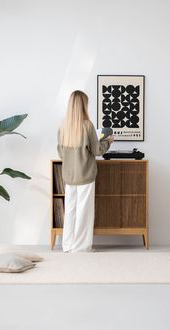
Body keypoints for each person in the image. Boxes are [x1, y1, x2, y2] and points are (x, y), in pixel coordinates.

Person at [57, 90, 114, 252]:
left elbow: (61, 153)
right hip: (86, 174)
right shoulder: (87, 126)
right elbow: (97, 150)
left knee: (70, 211)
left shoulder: (63, 126)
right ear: (84, 105)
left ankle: (67, 245)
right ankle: (81, 247)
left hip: (69, 176)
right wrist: (108, 141)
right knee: (84, 211)